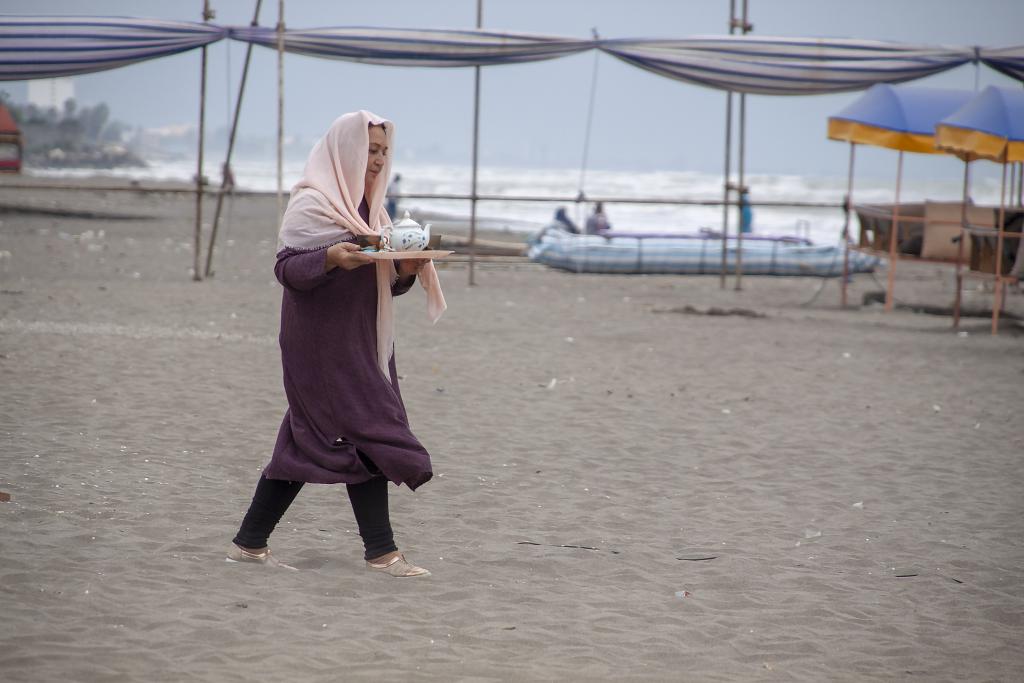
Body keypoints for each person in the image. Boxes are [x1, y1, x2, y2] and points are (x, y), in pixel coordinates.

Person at [227, 110, 446, 578]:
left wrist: (406, 272)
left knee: (310, 439)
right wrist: (328, 257)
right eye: (370, 149)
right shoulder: (314, 203)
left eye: (384, 150)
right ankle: (383, 553)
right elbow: (287, 269)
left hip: (360, 341)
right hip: (319, 345)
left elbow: (381, 287)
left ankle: (250, 543)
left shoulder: (374, 210)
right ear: (345, 149)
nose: (378, 159)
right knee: (364, 427)